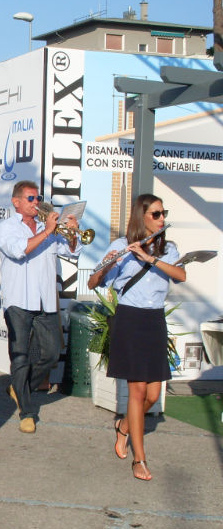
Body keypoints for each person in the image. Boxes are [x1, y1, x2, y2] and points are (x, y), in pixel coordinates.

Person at [87, 194, 185, 481]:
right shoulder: (121, 245)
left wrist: (150, 258)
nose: (162, 219)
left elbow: (180, 276)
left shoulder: (168, 248)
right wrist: (108, 265)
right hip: (129, 319)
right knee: (138, 391)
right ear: (141, 216)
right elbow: (93, 282)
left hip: (154, 320)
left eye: (163, 213)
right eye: (156, 214)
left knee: (153, 395)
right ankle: (139, 460)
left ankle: (124, 427)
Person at [0, 180, 81, 434]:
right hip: (18, 300)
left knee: (51, 354)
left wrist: (72, 233)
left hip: (45, 300)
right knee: (20, 357)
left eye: (38, 198)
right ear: (16, 202)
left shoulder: (48, 227)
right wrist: (48, 232)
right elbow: (19, 250)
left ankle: (20, 388)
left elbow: (72, 252)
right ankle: (27, 412)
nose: (37, 203)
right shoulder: (7, 228)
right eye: (31, 198)